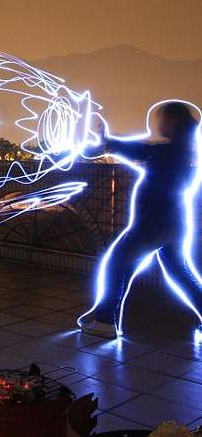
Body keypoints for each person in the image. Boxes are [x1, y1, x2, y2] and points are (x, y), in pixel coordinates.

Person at [79, 101, 202, 339]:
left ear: (173, 121)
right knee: (178, 273)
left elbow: (142, 151)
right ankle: (103, 313)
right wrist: (109, 142)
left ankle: (105, 321)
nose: (159, 124)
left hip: (153, 223)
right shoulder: (185, 150)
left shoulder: (171, 152)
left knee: (117, 262)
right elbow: (144, 151)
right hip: (174, 223)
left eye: (163, 119)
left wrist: (109, 142)